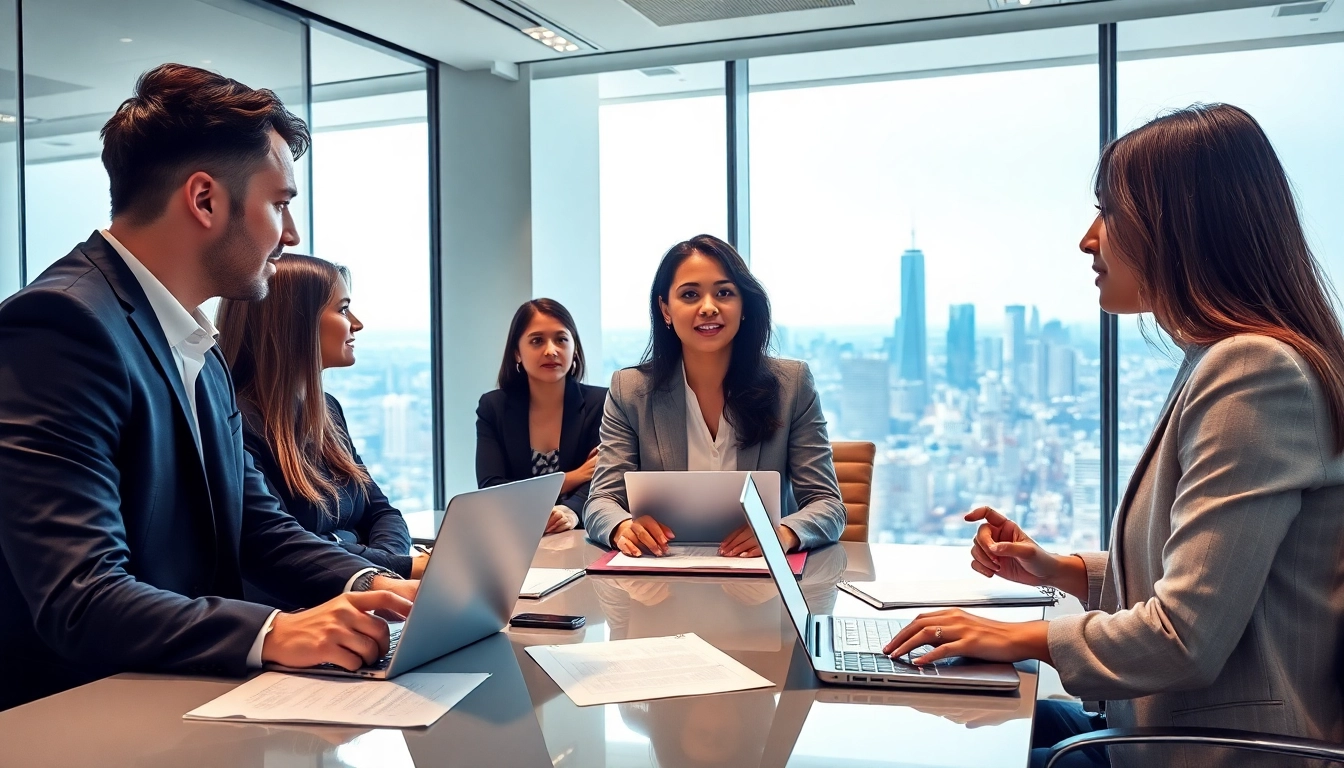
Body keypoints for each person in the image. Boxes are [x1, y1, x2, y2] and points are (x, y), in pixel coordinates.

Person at [883, 104, 1344, 768]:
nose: (1087, 239)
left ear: (1180, 227)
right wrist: (1060, 570)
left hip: (1215, 751)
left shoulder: (1253, 371)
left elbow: (1185, 637)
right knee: (954, 719)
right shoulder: (1223, 358)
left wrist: (1018, 636)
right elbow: (1215, 575)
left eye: (1110, 212)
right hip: (1168, 726)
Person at [0, 64, 417, 711]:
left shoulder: (198, 342)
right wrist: (274, 632)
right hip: (82, 716)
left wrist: (373, 585)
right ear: (205, 200)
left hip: (189, 698)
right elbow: (80, 594)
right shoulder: (60, 326)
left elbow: (257, 527)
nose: (291, 235)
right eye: (280, 204)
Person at [584, 234, 846, 557]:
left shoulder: (792, 385)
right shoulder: (630, 391)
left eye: (724, 293)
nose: (708, 308)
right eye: (690, 295)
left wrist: (783, 534)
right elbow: (601, 501)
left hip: (761, 576)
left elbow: (828, 504)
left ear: (744, 306)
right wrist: (623, 527)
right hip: (662, 574)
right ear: (665, 310)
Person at [216, 254, 427, 589]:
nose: (357, 324)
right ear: (295, 322)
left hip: (364, 593)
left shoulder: (328, 411)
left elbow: (382, 513)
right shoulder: (237, 423)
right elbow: (289, 546)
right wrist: (397, 567)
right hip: (305, 610)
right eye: (343, 310)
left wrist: (384, 568)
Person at [475, 299, 607, 534]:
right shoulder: (493, 407)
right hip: (514, 534)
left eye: (561, 339)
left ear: (575, 348)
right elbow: (491, 488)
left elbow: (602, 480)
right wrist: (571, 477)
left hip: (580, 534)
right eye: (537, 341)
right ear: (517, 352)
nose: (551, 350)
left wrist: (569, 512)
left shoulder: (602, 403)